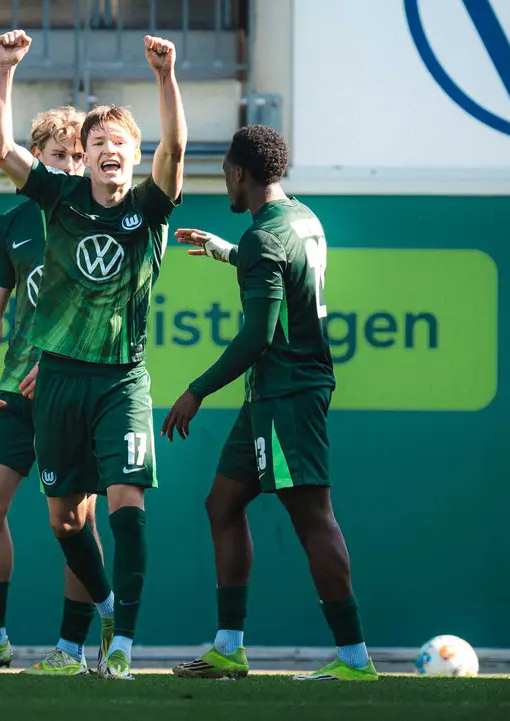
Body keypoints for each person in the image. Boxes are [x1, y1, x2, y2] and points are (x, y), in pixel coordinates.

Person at [0, 29, 186, 680]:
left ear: (134, 156)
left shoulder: (150, 207)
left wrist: (165, 78)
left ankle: (122, 643)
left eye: (117, 143)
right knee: (66, 522)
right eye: (96, 143)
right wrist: (4, 69)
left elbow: (176, 148)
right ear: (86, 156)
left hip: (121, 381)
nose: (105, 151)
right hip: (58, 381)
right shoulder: (59, 198)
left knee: (126, 503)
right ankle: (104, 605)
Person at [162, 124, 378, 682]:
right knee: (222, 504)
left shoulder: (265, 237)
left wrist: (195, 390)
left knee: (312, 518)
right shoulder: (302, 218)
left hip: (288, 394)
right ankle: (228, 647)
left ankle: (354, 658)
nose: (225, 184)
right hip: (270, 394)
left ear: (239, 173)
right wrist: (226, 251)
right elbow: (278, 268)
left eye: (225, 174)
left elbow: (257, 335)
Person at [0, 106, 112, 676]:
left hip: (76, 389)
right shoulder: (12, 222)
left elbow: (107, 311)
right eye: (59, 156)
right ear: (35, 157)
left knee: (74, 523)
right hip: (14, 390)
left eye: (79, 156)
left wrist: (63, 365)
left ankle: (72, 648)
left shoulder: (102, 217)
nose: (70, 166)